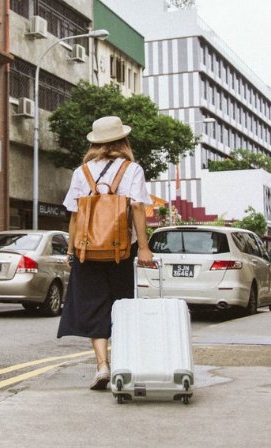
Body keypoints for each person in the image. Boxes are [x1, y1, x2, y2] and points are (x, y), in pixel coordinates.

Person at [57, 115, 154, 390]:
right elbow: (137, 208)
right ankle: (121, 362)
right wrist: (144, 248)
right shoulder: (132, 169)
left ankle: (102, 365)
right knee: (120, 305)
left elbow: (75, 215)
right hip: (120, 251)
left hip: (87, 250)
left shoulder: (82, 171)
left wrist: (71, 251)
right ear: (122, 140)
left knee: (92, 305)